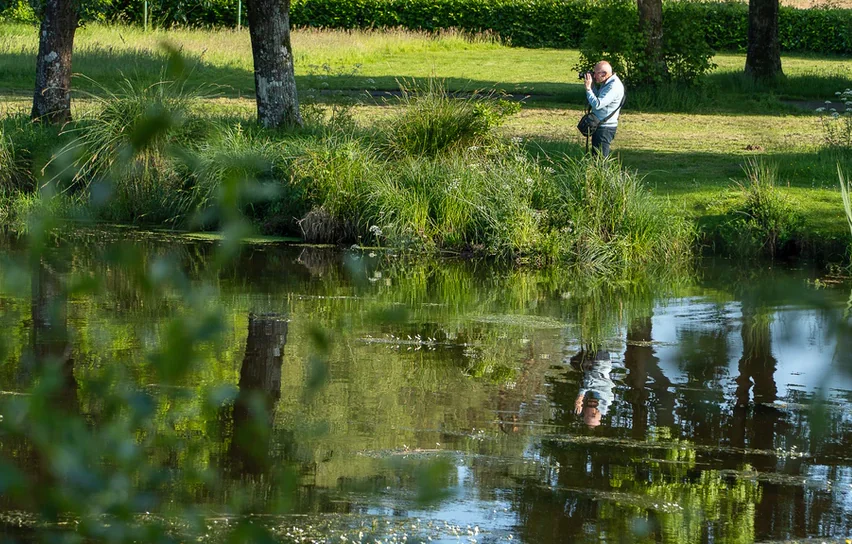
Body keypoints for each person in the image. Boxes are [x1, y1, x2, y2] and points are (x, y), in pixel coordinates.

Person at [583, 61, 625, 158]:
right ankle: (598, 173)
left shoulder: (613, 86)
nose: (594, 75)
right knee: (596, 157)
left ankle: (602, 173)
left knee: (600, 159)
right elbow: (598, 96)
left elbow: (597, 104)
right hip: (600, 125)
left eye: (596, 73)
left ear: (604, 74)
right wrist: (592, 86)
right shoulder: (607, 82)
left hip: (605, 128)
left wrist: (588, 89)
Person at [570, 349, 615, 428]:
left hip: (589, 366)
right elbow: (593, 382)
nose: (583, 411)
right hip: (601, 361)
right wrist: (580, 396)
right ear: (594, 413)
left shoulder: (588, 399)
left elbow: (586, 383)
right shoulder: (607, 400)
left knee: (573, 362)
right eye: (585, 414)